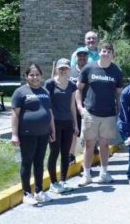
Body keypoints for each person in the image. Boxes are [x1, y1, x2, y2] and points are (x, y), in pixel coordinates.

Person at [76, 42, 124, 186]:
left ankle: (104, 173)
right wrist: (80, 108)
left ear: (112, 55)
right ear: (100, 52)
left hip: (109, 113)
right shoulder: (89, 68)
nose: (106, 54)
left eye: (109, 52)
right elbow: (78, 89)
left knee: (104, 144)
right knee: (89, 144)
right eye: (103, 51)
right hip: (90, 112)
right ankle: (87, 174)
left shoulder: (116, 71)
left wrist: (119, 111)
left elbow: (119, 93)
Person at [11, 64, 55, 205]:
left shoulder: (45, 91)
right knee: (27, 162)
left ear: (41, 76)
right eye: (32, 75)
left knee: (39, 162)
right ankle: (27, 193)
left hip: (43, 133)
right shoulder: (20, 92)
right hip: (27, 134)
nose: (35, 77)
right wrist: (14, 134)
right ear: (26, 76)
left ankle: (39, 191)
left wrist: (51, 129)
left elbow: (49, 112)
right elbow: (15, 114)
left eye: (37, 75)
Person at [44, 58, 78, 194]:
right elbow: (46, 105)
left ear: (69, 69)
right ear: (57, 69)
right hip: (54, 122)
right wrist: (49, 125)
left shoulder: (71, 85)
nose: (63, 70)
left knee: (66, 152)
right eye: (61, 68)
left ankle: (63, 180)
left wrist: (75, 123)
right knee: (54, 151)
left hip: (67, 122)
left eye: (66, 68)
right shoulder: (50, 83)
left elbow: (72, 105)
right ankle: (53, 183)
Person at [68, 47, 89, 164]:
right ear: (75, 57)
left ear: (87, 57)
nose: (82, 57)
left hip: (88, 107)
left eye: (84, 55)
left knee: (87, 134)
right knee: (73, 133)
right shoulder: (70, 71)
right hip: (72, 107)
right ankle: (71, 155)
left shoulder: (91, 70)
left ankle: (87, 158)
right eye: (79, 55)